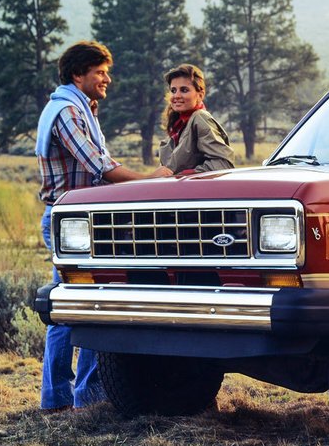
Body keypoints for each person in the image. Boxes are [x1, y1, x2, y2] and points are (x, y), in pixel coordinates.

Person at [35, 40, 172, 412]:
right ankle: (74, 397)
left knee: (75, 307)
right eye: (100, 72)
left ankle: (69, 398)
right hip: (74, 222)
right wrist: (150, 181)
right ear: (78, 74)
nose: (106, 78)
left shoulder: (78, 108)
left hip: (82, 220)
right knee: (79, 307)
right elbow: (101, 166)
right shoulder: (67, 113)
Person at [157, 63, 236, 174]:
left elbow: (223, 164)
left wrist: (187, 175)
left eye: (184, 90)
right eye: (173, 90)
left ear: (200, 95)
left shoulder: (200, 118)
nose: (176, 96)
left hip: (195, 190)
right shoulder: (178, 126)